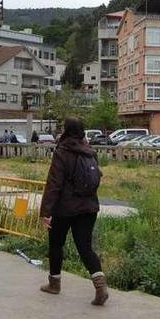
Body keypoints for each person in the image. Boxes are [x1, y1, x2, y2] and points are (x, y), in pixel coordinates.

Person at [39, 117, 108, 306]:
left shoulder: (62, 152)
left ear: (66, 131)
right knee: (85, 248)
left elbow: (54, 184)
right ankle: (100, 287)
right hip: (89, 207)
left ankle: (54, 284)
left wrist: (46, 211)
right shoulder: (90, 152)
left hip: (64, 209)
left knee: (56, 244)